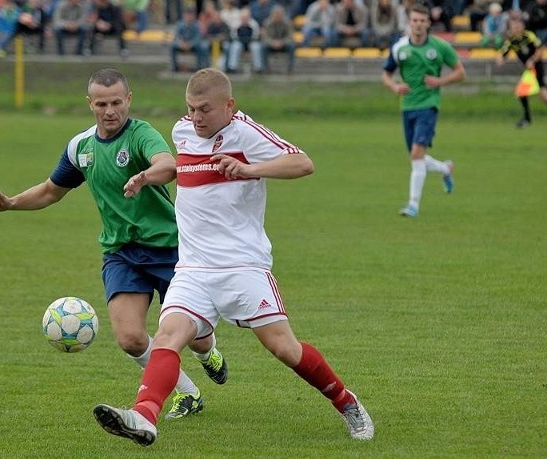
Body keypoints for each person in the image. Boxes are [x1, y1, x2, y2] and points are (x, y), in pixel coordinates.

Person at [92, 67, 375, 446]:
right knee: (167, 337)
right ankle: (143, 416)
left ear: (229, 105)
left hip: (243, 266)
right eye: (191, 108)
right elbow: (181, 169)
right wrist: (148, 177)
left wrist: (249, 169)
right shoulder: (182, 131)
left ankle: (346, 402)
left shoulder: (246, 133)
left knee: (283, 348)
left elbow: (303, 163)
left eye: (205, 109)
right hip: (193, 268)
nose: (196, 117)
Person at [0, 68, 228, 421]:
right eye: (101, 104)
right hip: (122, 254)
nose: (110, 111)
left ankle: (209, 354)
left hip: (170, 249)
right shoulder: (81, 147)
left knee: (197, 337)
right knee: (130, 338)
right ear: (90, 104)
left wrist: (143, 176)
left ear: (128, 99)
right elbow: (52, 190)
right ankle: (188, 393)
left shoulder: (141, 134)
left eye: (116, 102)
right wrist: (12, 203)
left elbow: (168, 165)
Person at [382, 3, 466, 218]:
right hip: (407, 106)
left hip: (429, 105)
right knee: (416, 157)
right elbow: (386, 75)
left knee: (417, 155)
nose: (418, 24)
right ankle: (445, 169)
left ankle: (413, 205)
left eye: (422, 21)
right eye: (414, 21)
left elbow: (460, 72)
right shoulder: (399, 47)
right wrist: (395, 87)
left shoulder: (439, 47)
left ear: (428, 23)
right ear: (409, 23)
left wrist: (440, 81)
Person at [496, 15, 547, 128]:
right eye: (514, 26)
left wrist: (532, 60)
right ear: (510, 28)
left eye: (518, 25)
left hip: (537, 68)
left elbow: (541, 49)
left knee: (541, 94)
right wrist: (500, 60)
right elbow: (502, 53)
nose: (516, 28)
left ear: (522, 26)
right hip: (529, 71)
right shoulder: (511, 41)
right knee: (526, 93)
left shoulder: (529, 35)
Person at [170, 7, 209, 72]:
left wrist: (190, 44)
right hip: (182, 44)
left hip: (193, 45)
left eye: (190, 15)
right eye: (187, 14)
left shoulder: (197, 25)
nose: (189, 16)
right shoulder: (180, 24)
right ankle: (174, 67)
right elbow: (176, 36)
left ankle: (200, 67)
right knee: (172, 46)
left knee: (202, 46)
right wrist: (181, 43)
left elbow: (198, 37)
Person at [261, 4, 296, 73]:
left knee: (292, 46)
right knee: (263, 47)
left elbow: (290, 37)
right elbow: (265, 38)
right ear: (272, 15)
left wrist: (281, 42)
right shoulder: (266, 23)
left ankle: (290, 68)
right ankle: (265, 69)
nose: (277, 16)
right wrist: (272, 42)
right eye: (276, 14)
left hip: (283, 44)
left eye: (279, 14)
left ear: (283, 15)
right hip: (271, 45)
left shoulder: (288, 23)